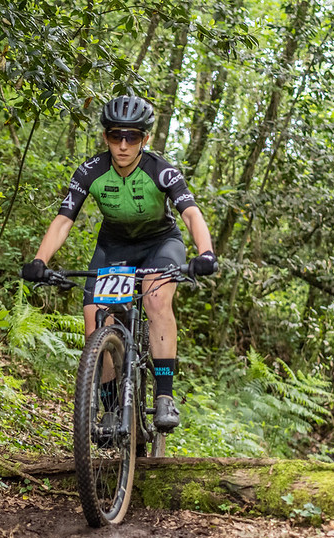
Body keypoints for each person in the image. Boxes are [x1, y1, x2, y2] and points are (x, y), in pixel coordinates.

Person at [21, 95, 217, 432]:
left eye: (132, 137)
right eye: (115, 136)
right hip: (114, 248)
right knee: (95, 317)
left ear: (146, 139)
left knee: (156, 300)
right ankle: (111, 408)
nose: (123, 145)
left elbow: (190, 213)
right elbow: (64, 220)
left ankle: (164, 396)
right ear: (105, 137)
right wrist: (41, 260)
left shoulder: (161, 171)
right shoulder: (90, 171)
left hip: (160, 244)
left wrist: (206, 252)